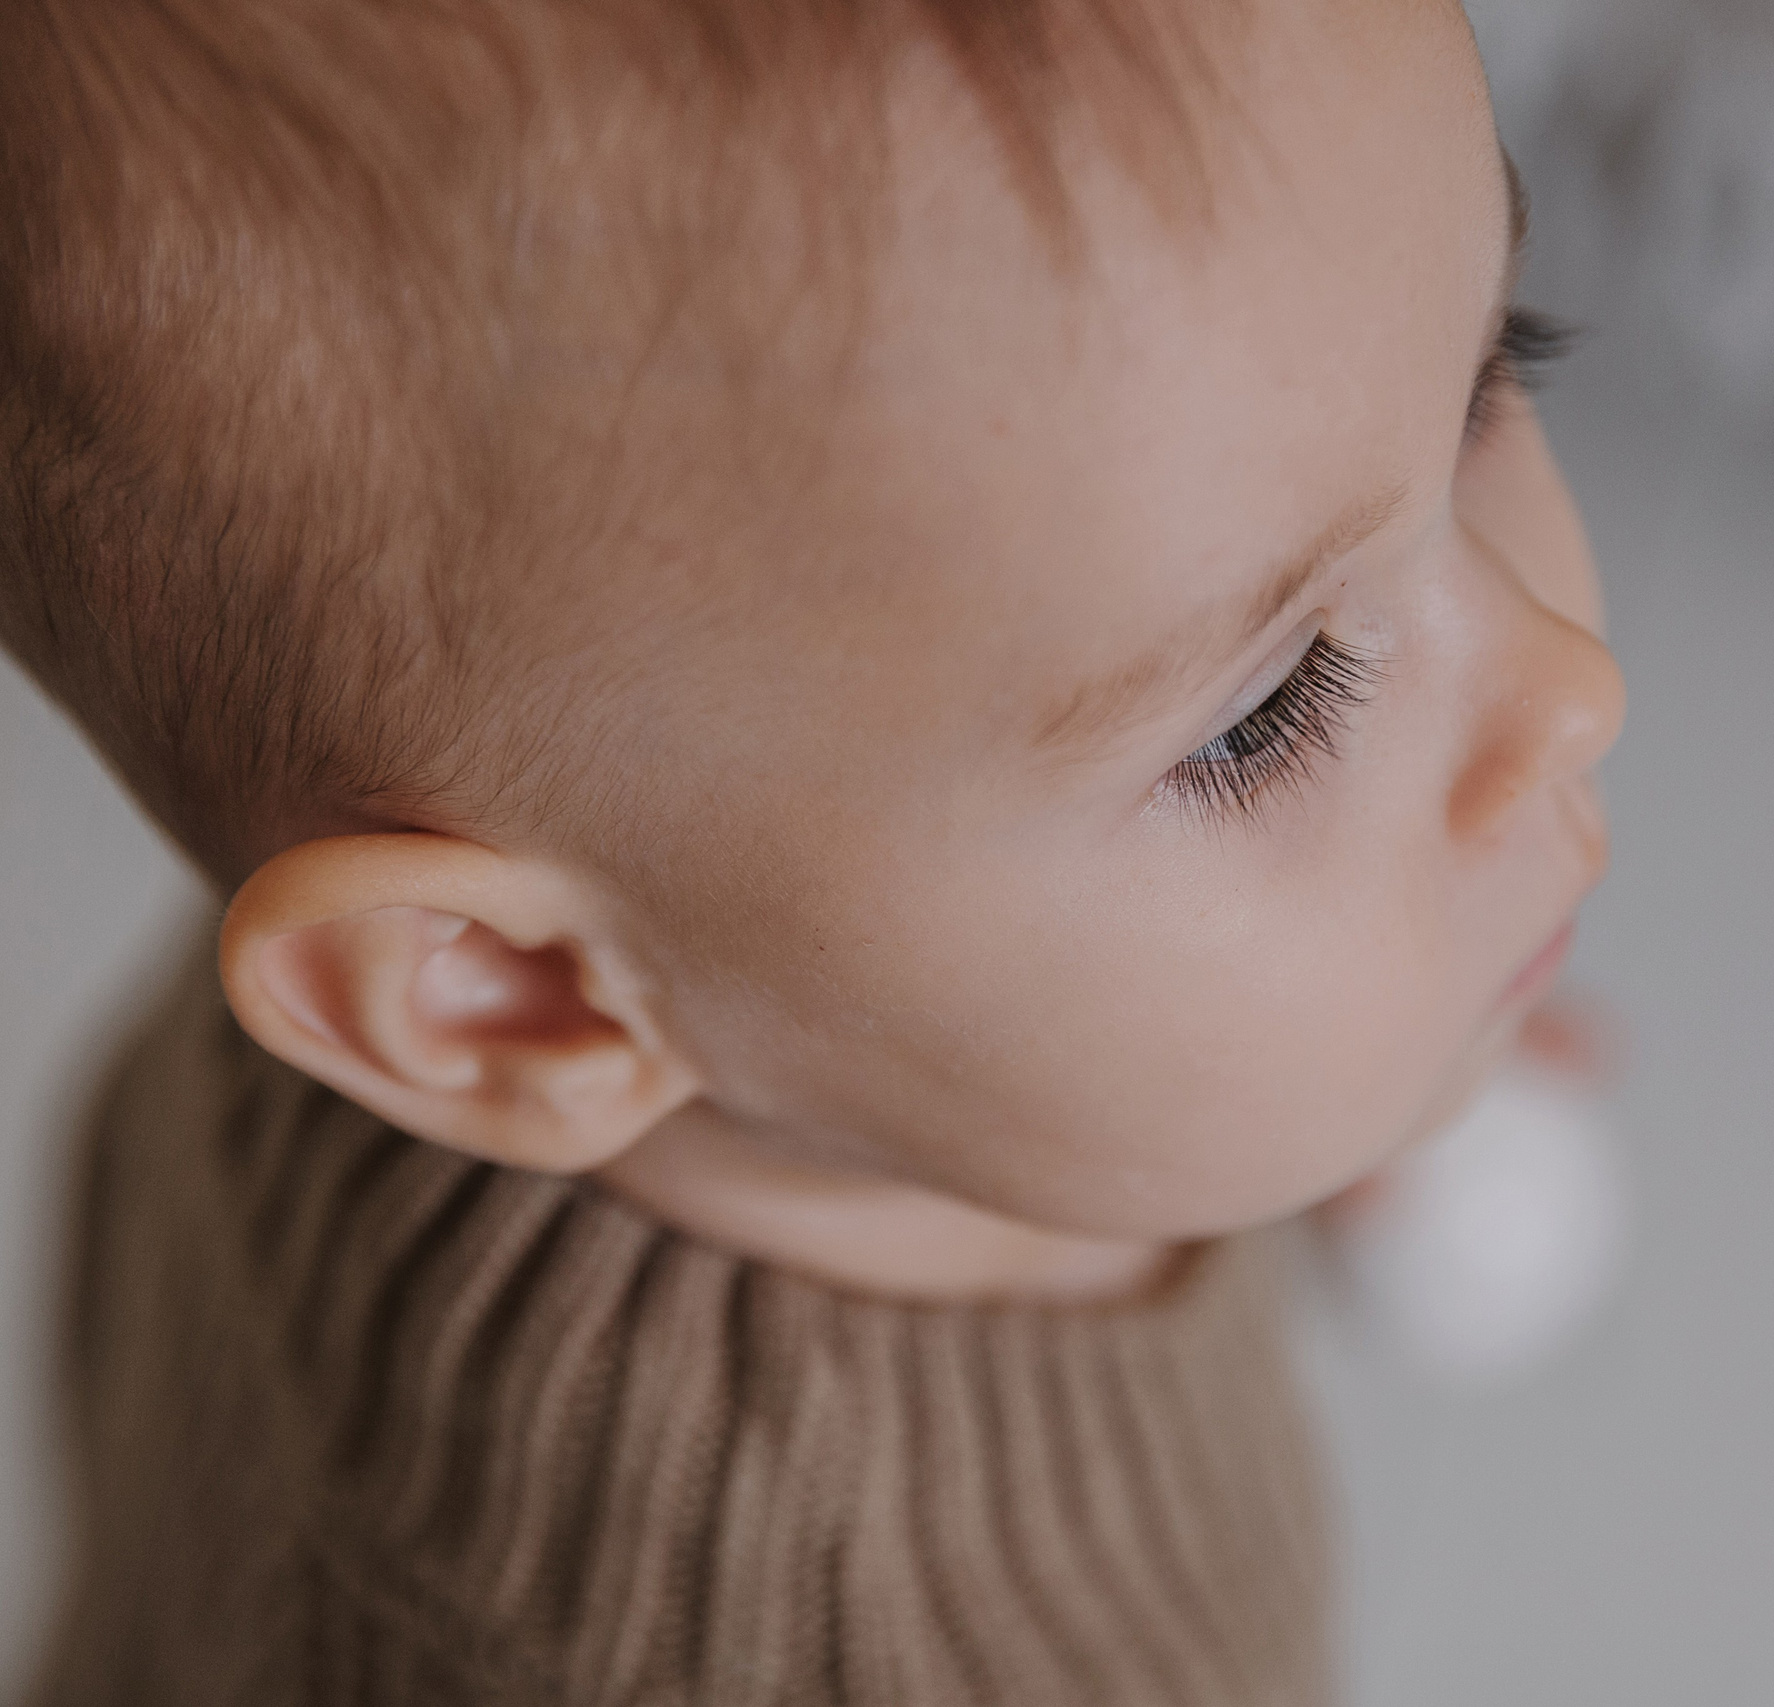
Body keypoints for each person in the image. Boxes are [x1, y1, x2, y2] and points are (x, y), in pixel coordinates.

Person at [0, 0, 1625, 1699]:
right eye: (1264, 716)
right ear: (511, 998)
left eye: (1491, 371)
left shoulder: (642, 889)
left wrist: (1336, 1112)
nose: (1570, 693)